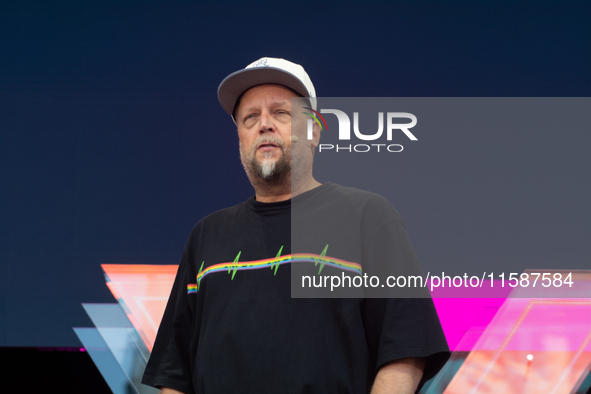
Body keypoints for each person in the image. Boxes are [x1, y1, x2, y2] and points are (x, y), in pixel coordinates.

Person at [141, 57, 450, 394]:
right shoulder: (206, 236)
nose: (264, 125)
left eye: (281, 113)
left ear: (314, 131)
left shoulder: (368, 215)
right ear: (241, 138)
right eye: (250, 117)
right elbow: (174, 375)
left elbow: (405, 353)